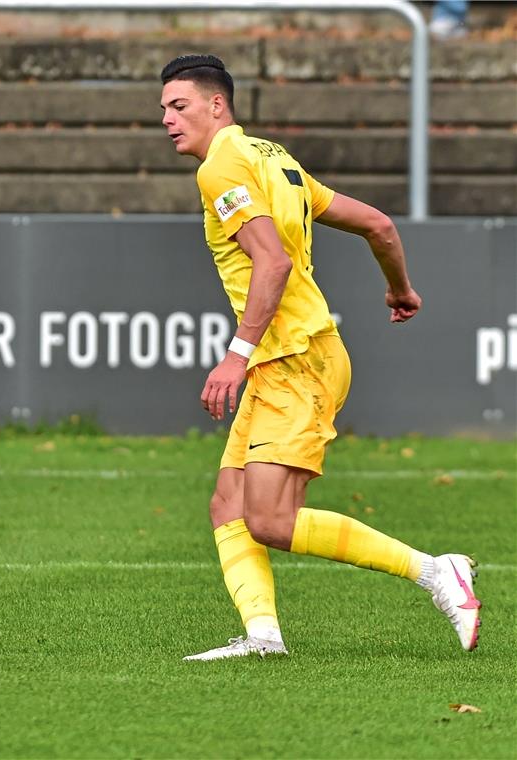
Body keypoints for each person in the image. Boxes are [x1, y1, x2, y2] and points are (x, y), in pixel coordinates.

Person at [158, 55, 480, 660]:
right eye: (164, 111)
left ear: (217, 105)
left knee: (271, 521)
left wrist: (236, 354)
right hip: (290, 357)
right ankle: (262, 637)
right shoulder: (274, 159)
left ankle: (437, 571)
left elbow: (272, 262)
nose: (169, 121)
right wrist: (400, 289)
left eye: (180, 106)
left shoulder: (222, 168)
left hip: (294, 358)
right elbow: (378, 225)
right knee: (228, 503)